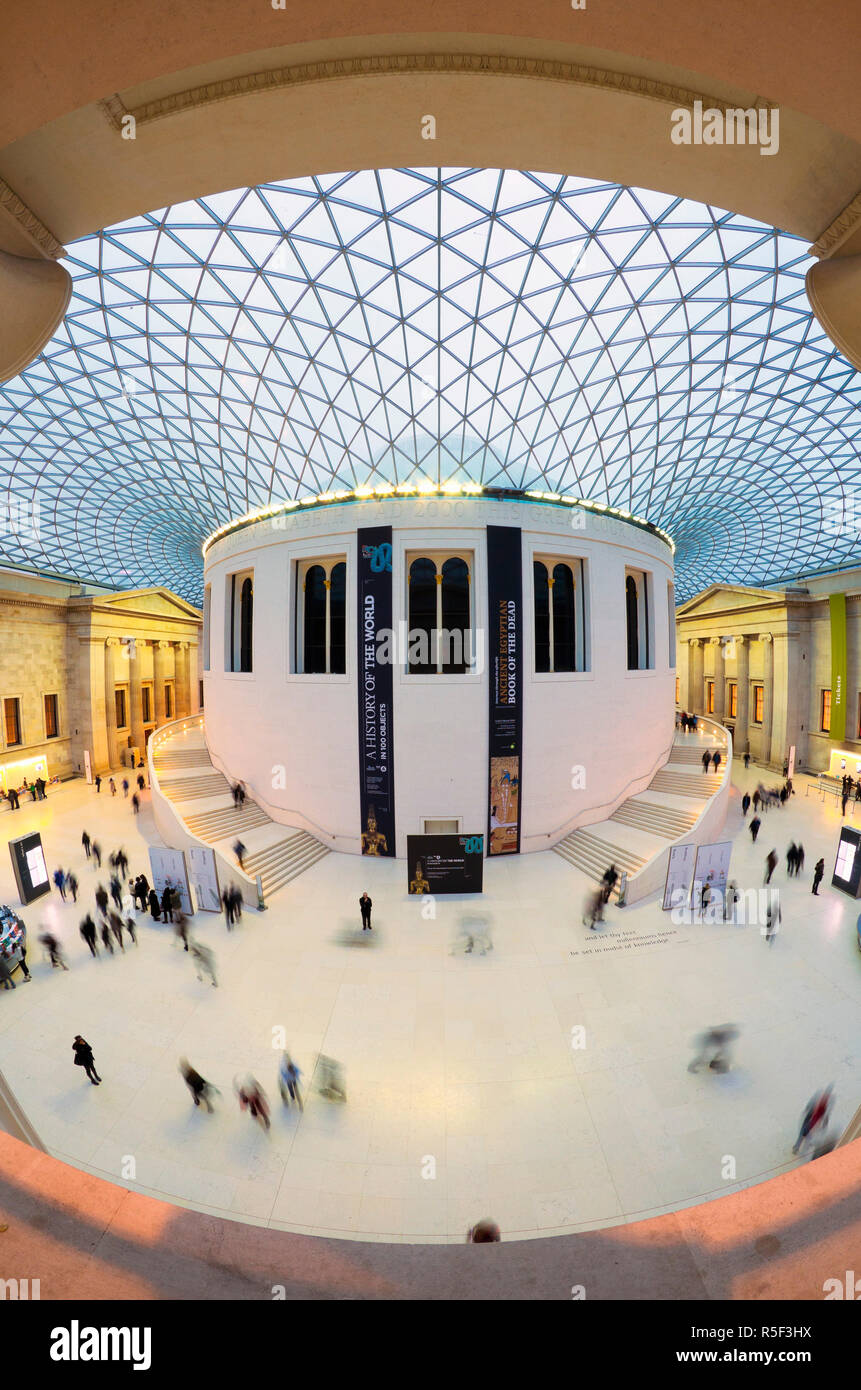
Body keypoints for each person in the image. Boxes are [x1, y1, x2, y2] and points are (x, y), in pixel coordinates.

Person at [792, 1087, 833, 1156]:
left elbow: (824, 1115)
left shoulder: (821, 1102)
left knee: (803, 1134)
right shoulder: (824, 1105)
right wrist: (824, 1125)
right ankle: (800, 1148)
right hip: (812, 1122)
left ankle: (797, 1147)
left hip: (811, 1121)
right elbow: (825, 1116)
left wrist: (807, 1108)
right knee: (806, 1135)